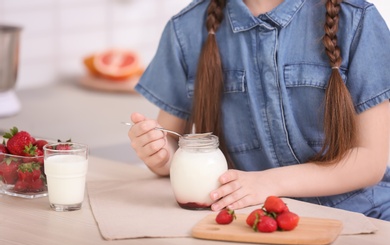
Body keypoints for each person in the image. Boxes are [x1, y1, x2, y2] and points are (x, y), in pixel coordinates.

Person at [127, 0, 390, 220]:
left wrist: (269, 182)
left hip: (362, 217)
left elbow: (371, 162)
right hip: (252, 223)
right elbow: (174, 147)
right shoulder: (184, 30)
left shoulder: (358, 20)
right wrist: (159, 154)